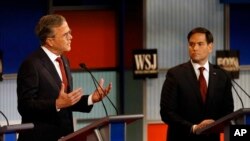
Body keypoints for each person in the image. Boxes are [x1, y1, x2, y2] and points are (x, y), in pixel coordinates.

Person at [16, 14, 112, 141]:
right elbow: (25, 107)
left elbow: (66, 101)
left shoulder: (64, 60)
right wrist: (56, 104)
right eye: (65, 35)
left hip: (65, 136)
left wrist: (91, 99)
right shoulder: (32, 64)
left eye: (70, 32)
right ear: (50, 41)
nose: (71, 37)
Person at [160, 27, 234, 141]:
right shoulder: (175, 74)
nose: (195, 48)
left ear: (210, 47)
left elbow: (228, 110)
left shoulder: (222, 76)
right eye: (191, 44)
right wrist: (193, 128)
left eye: (200, 44)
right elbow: (167, 112)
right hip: (182, 137)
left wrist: (215, 124)